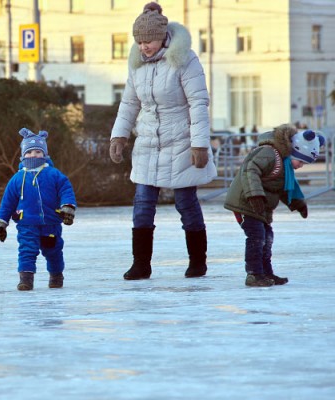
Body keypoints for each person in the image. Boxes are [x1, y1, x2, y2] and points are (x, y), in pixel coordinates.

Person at [109, 2, 217, 280]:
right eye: (139, 41)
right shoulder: (137, 64)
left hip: (181, 141)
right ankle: (141, 264)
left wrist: (199, 144)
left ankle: (197, 262)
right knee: (142, 205)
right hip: (148, 143)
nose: (144, 46)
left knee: (186, 204)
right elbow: (130, 102)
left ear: (163, 36)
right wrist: (119, 136)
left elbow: (198, 102)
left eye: (149, 41)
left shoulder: (185, 59)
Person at [224, 125, 325, 287]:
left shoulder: (285, 165)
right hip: (245, 201)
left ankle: (266, 273)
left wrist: (298, 204)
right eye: (301, 161)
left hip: (261, 207)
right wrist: (254, 195)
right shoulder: (269, 153)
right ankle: (254, 274)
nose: (300, 166)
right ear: (294, 151)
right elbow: (250, 170)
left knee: (267, 237)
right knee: (257, 237)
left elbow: (284, 189)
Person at [0, 128, 77, 291]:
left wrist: (67, 207)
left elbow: (66, 190)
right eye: (30, 151)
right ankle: (26, 279)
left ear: (45, 154)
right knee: (27, 250)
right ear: (23, 155)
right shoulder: (17, 178)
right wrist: (2, 223)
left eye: (38, 152)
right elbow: (8, 202)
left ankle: (56, 275)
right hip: (26, 224)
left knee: (53, 251)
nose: (33, 155)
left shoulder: (54, 174)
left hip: (50, 222)